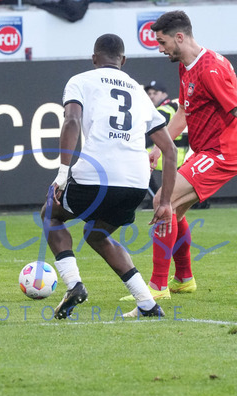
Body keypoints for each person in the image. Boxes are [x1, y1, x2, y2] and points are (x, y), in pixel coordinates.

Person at [41, 33, 178, 320]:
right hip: (136, 181)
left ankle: (74, 285)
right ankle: (147, 304)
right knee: (97, 234)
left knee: (51, 214)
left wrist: (62, 173)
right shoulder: (139, 92)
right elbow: (169, 150)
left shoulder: (80, 81)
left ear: (94, 58)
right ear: (123, 60)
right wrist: (165, 202)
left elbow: (72, 120)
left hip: (97, 172)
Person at [143, 10, 237, 300]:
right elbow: (183, 112)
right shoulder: (187, 66)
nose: (161, 49)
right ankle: (183, 278)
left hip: (223, 152)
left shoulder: (211, 69)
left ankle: (157, 288)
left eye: (162, 42)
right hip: (205, 150)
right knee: (174, 211)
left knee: (163, 200)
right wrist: (159, 147)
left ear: (180, 37)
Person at [143, 80, 190, 197]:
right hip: (180, 154)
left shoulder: (162, 110)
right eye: (149, 94)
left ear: (164, 94)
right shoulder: (174, 107)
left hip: (166, 154)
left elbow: (152, 135)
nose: (151, 96)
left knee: (140, 164)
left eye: (155, 93)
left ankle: (155, 199)